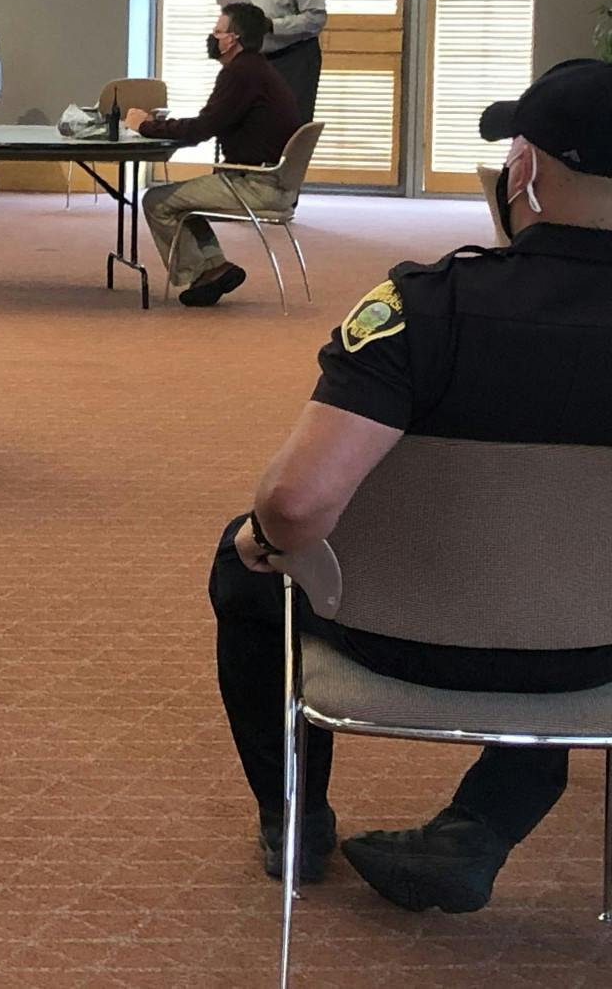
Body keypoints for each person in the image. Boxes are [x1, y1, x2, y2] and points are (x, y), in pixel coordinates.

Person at [208, 58, 612, 909]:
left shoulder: (425, 309)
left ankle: (294, 816)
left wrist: (261, 537)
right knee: (568, 595)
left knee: (242, 562)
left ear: (525, 170)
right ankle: (482, 825)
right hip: (595, 658)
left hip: (394, 635)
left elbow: (297, 505)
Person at [125, 2, 302, 308]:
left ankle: (200, 272)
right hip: (274, 181)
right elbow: (214, 122)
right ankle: (214, 268)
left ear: (232, 39)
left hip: (256, 183)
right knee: (183, 199)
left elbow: (202, 128)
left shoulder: (240, 74)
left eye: (217, 32)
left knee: (156, 201)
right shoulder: (257, 69)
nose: (213, 37)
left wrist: (145, 125)